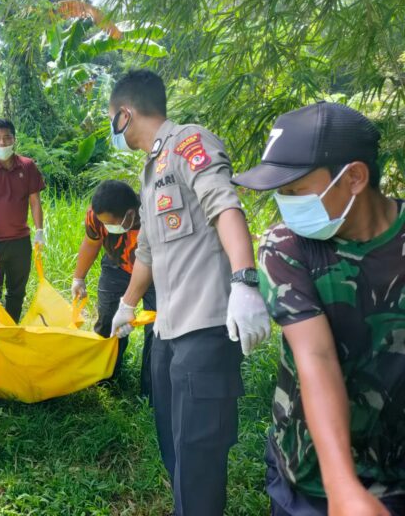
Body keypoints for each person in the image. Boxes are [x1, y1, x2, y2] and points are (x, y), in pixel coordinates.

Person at [108, 69, 271, 516]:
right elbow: (147, 251)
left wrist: (244, 281)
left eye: (111, 120)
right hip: (168, 332)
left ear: (124, 114)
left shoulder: (188, 143)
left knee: (199, 456)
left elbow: (225, 205)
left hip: (207, 328)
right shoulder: (150, 169)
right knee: (175, 445)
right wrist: (125, 305)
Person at [233, 102, 405, 516]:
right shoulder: (286, 246)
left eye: (294, 191)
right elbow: (316, 356)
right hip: (310, 474)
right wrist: (342, 486)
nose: (284, 204)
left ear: (355, 178)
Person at [71, 180, 155, 397]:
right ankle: (105, 376)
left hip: (155, 273)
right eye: (103, 222)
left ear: (129, 214)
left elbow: (150, 265)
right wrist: (78, 278)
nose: (106, 226)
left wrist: (129, 306)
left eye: (111, 223)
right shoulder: (96, 215)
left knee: (156, 331)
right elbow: (91, 242)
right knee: (108, 321)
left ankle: (152, 391)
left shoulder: (152, 219)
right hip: (116, 266)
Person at [0, 118, 45, 324]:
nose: (2, 143)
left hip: (20, 242)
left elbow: (35, 202)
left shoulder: (28, 166)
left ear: (14, 139)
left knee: (16, 292)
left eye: (6, 138)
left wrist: (40, 231)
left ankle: (10, 332)